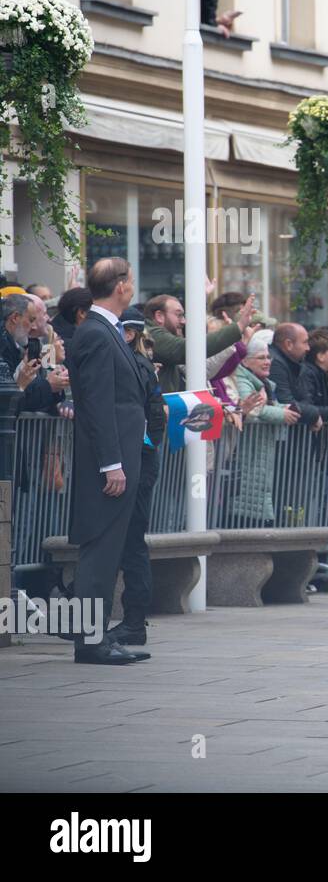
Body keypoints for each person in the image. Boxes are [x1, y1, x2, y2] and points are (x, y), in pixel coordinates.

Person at [65, 258, 151, 665]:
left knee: (108, 551)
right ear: (119, 286)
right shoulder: (98, 333)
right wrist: (111, 464)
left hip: (119, 457)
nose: (132, 287)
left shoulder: (104, 330)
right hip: (109, 463)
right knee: (100, 552)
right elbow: (99, 404)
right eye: (130, 281)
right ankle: (91, 641)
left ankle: (95, 637)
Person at [108, 307, 166, 647]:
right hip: (141, 462)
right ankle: (131, 621)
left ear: (128, 334)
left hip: (138, 465)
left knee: (131, 544)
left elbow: (152, 420)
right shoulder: (142, 365)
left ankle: (133, 622)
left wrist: (139, 455)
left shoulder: (136, 367)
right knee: (130, 543)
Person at [230, 331, 298, 525]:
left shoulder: (264, 383)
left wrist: (282, 409)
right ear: (245, 361)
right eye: (261, 358)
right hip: (246, 452)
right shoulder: (242, 379)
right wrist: (282, 414)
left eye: (269, 357)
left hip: (259, 452)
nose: (267, 361)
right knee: (246, 513)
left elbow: (265, 406)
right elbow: (254, 410)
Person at [144, 292, 252, 394]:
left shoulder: (161, 339)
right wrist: (239, 327)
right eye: (179, 315)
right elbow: (187, 349)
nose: (183, 321)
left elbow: (203, 370)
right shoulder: (152, 335)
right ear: (159, 316)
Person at [2, 293, 66, 414]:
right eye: (44, 314)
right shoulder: (13, 344)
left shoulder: (39, 341)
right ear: (15, 317)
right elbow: (16, 395)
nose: (48, 318)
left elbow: (42, 380)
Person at [268, 322, 325, 426]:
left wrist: (311, 413)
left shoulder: (296, 363)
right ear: (288, 344)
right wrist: (313, 414)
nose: (308, 348)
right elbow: (286, 402)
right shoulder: (275, 363)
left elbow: (305, 398)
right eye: (305, 342)